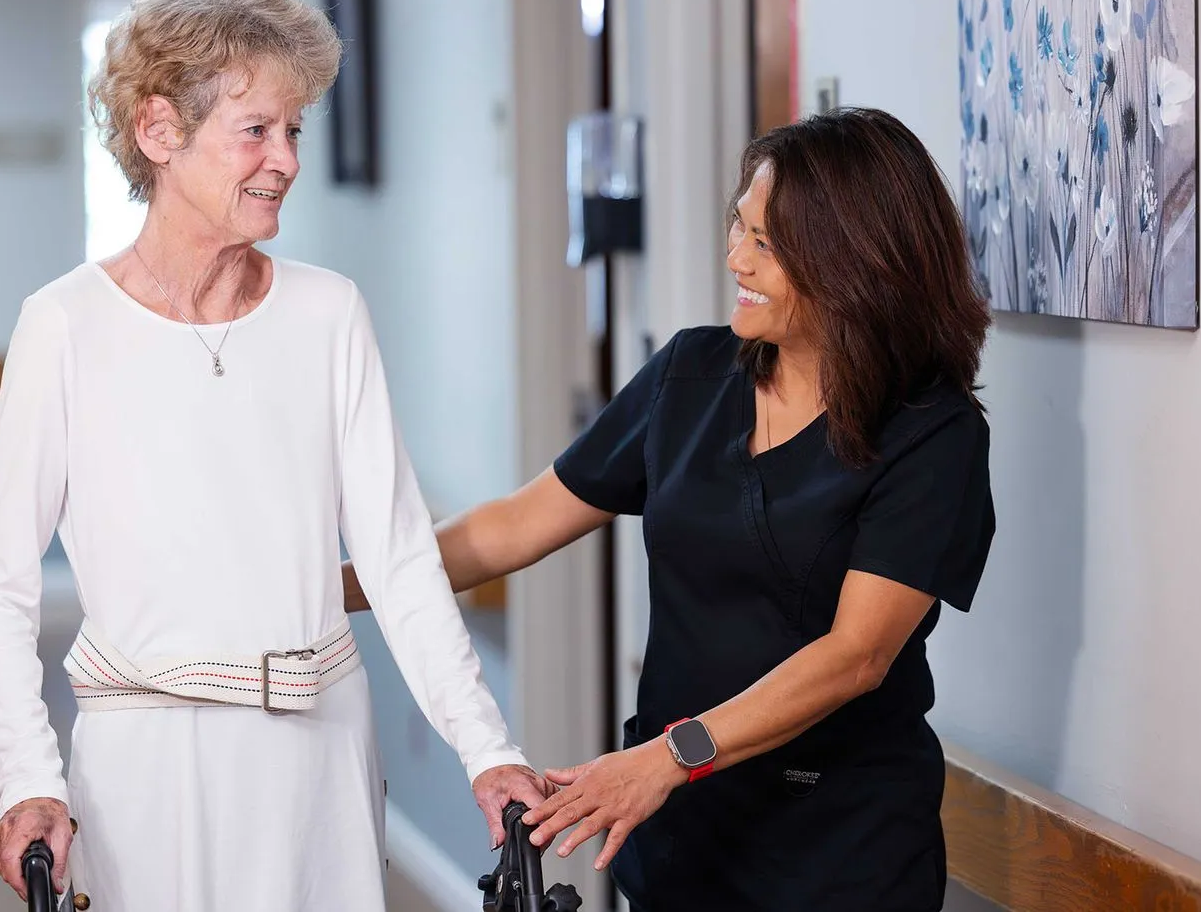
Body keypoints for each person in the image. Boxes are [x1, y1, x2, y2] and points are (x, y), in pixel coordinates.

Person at [0, 0, 545, 911]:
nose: (287, 159)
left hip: (320, 751)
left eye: (294, 129)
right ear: (158, 130)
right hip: (145, 760)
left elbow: (398, 558)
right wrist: (28, 778)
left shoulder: (328, 314)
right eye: (256, 132)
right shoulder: (64, 325)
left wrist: (488, 748)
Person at [345, 107, 996, 909]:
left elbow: (856, 656)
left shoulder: (932, 433)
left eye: (765, 243)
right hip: (683, 839)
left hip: (839, 849)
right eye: (739, 227)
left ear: (852, 260)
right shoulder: (693, 374)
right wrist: (338, 585)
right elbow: (517, 524)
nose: (735, 258)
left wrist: (668, 756)